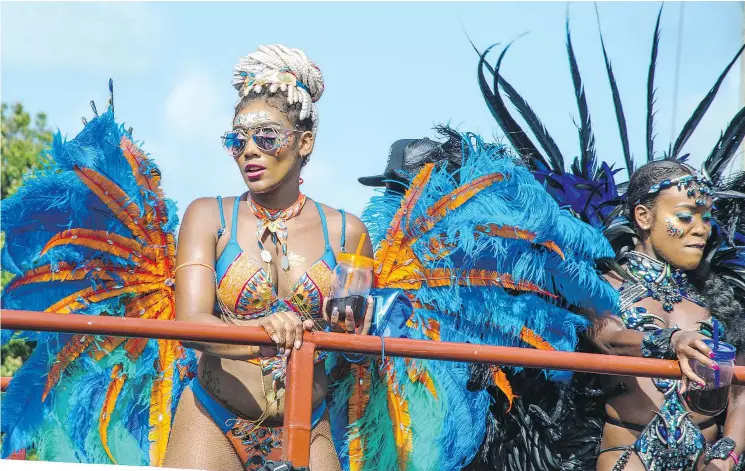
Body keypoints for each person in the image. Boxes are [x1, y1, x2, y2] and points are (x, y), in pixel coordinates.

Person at [475, 6, 745, 470]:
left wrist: (726, 453)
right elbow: (611, 338)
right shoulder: (602, 285)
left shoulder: (720, 302)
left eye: (706, 217)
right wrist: (670, 342)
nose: (702, 228)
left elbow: (740, 391)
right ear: (642, 216)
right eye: (686, 215)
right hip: (628, 458)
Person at [162, 44, 373, 471]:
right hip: (213, 420)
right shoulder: (208, 216)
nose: (249, 151)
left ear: (304, 142)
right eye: (238, 140)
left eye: (267, 137)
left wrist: (353, 334)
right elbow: (189, 325)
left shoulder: (348, 232)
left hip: (307, 426)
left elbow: (357, 351)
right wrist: (260, 329)